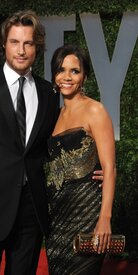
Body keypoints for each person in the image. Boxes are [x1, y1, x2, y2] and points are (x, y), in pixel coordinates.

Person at [0, 10, 103, 275]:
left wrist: (92, 170)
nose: (21, 50)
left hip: (31, 215)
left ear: (37, 47)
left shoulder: (48, 92)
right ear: (4, 45)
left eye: (28, 43)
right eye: (15, 42)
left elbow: (54, 148)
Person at [45, 44, 116, 275]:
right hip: (56, 218)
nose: (66, 77)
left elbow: (109, 167)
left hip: (86, 213)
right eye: (61, 70)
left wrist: (104, 218)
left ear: (84, 76)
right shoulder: (55, 115)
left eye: (74, 71)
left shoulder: (95, 110)